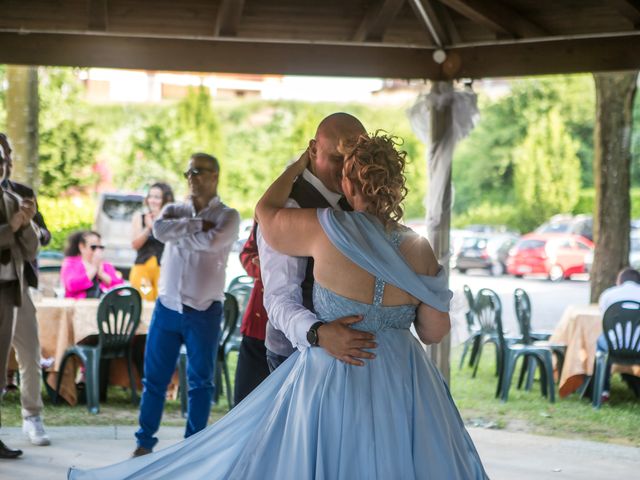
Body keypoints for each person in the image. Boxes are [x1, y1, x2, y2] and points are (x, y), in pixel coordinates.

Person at [68, 133, 487, 479]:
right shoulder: (419, 248)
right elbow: (433, 331)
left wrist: (298, 163)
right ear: (396, 184)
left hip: (334, 373)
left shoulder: (326, 229)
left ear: (348, 183)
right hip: (404, 378)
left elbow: (264, 213)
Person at [132, 152, 240, 457]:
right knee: (154, 379)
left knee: (200, 382)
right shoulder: (172, 209)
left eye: (198, 172)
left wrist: (181, 232)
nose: (191, 177)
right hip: (167, 307)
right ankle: (143, 443)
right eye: (188, 172)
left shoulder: (228, 216)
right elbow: (159, 231)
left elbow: (213, 243)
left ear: (215, 175)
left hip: (204, 310)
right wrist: (196, 225)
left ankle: (193, 448)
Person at [258, 112, 376, 372]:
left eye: (354, 160)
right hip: (296, 354)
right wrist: (317, 333)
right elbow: (278, 297)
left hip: (351, 356)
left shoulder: (358, 202)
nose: (347, 169)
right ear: (313, 149)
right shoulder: (289, 206)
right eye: (337, 158)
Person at [0, 133, 52, 446]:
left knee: (30, 351)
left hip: (17, 287)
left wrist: (30, 225)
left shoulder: (21, 192)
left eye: (6, 158)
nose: (4, 164)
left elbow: (37, 237)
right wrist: (14, 226)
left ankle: (32, 416)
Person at [232, 221, 270, 405]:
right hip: (259, 323)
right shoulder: (265, 214)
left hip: (296, 328)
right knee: (244, 399)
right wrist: (264, 269)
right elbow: (247, 253)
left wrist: (276, 269)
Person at [595, 267, 640, 400]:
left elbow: (604, 318)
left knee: (600, 341)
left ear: (619, 281)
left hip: (612, 344)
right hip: (638, 346)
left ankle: (602, 389)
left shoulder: (608, 294)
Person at [130, 182, 174, 301]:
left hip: (164, 271)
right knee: (145, 301)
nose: (152, 200)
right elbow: (135, 244)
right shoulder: (140, 217)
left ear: (165, 199)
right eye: (150, 196)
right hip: (143, 270)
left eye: (157, 197)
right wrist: (148, 228)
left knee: (162, 304)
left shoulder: (171, 220)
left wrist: (157, 225)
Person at [60, 230, 124, 299]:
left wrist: (102, 274)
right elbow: (72, 285)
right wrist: (93, 269)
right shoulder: (71, 263)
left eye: (100, 247)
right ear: (82, 247)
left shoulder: (106, 265)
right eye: (93, 247)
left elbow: (120, 288)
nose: (97, 250)